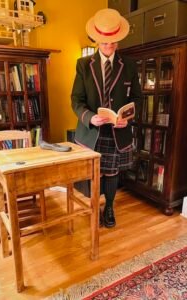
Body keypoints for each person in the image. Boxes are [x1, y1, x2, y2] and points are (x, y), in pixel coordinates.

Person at [71, 8, 141, 228]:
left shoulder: (129, 66)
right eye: (104, 43)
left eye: (112, 43)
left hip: (117, 132)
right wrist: (90, 117)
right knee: (93, 173)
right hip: (91, 132)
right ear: (97, 41)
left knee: (111, 173)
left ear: (118, 40)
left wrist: (127, 117)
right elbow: (76, 99)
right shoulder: (83, 65)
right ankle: (92, 206)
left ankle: (109, 208)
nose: (108, 48)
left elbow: (138, 98)